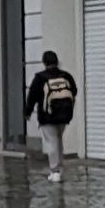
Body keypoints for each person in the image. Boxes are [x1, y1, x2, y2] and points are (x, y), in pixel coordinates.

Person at [25, 47, 77, 179]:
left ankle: (55, 171)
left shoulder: (40, 78)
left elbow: (32, 96)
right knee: (58, 140)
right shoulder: (66, 76)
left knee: (51, 141)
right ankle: (59, 167)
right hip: (64, 115)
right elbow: (74, 91)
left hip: (47, 116)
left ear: (44, 62)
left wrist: (28, 112)